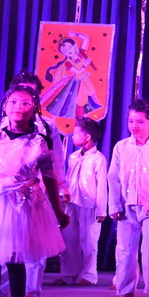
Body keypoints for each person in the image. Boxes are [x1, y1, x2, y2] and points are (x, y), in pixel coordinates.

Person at [0, 85, 68, 297]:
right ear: (5, 106)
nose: (18, 107)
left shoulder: (39, 142)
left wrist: (58, 211)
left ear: (34, 109)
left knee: (15, 257)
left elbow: (49, 177)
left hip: (19, 205)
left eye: (25, 103)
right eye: (13, 102)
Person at [108, 99, 149, 297]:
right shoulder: (121, 147)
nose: (134, 126)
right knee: (125, 250)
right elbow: (113, 177)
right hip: (127, 206)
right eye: (131, 121)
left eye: (140, 122)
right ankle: (126, 290)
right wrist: (114, 205)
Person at [56, 117, 108, 286]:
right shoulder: (73, 157)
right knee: (69, 239)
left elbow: (102, 185)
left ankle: (88, 275)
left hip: (89, 205)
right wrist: (62, 198)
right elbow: (68, 179)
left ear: (87, 137)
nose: (73, 136)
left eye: (77, 133)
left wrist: (101, 209)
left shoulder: (98, 159)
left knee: (89, 241)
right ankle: (68, 274)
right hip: (71, 203)